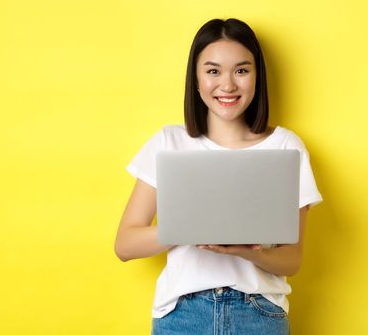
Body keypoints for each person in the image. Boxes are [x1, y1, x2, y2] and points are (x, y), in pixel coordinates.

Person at [114, 18, 323, 335]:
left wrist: (244, 250)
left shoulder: (285, 146)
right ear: (196, 80)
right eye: (213, 71)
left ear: (257, 78)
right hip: (182, 314)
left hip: (258, 313)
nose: (227, 85)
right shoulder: (169, 142)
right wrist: (188, 227)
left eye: (241, 70)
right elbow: (125, 245)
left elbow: (292, 260)